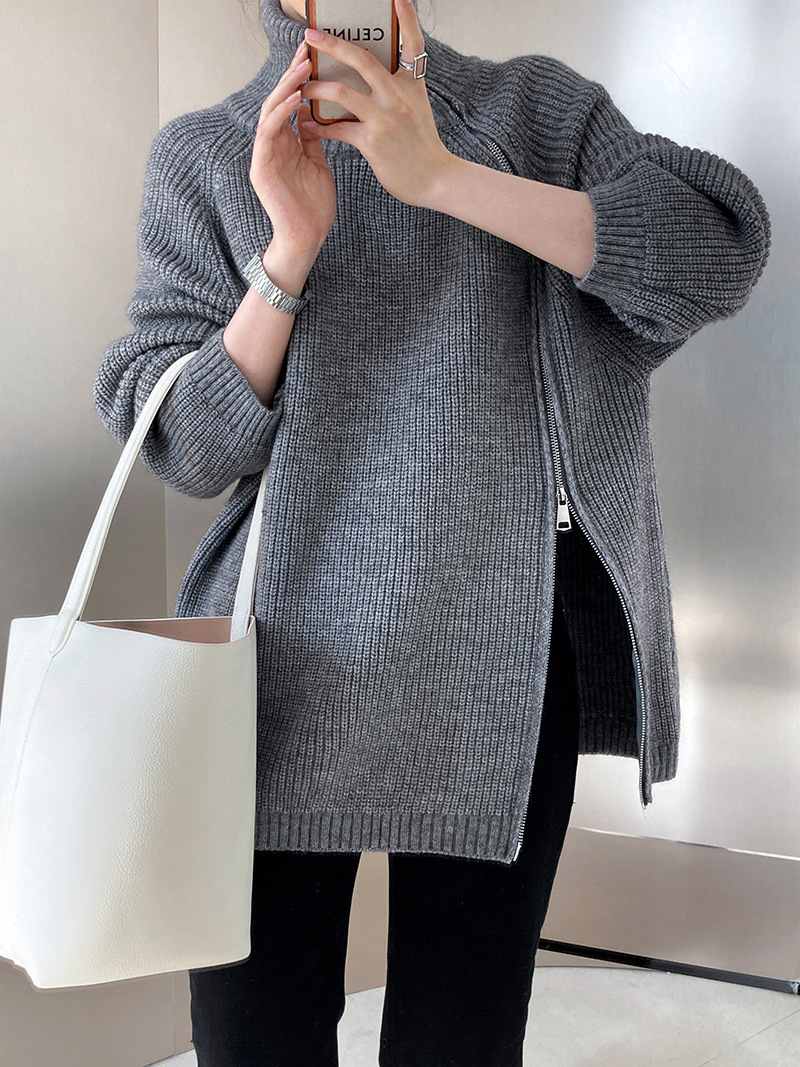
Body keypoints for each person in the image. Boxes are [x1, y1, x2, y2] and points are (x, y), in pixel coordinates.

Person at [93, 0, 771, 1062]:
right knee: (252, 1039)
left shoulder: (536, 113)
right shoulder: (212, 153)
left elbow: (717, 250)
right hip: (268, 668)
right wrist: (288, 252)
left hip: (500, 660)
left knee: (459, 1039)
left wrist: (445, 176)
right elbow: (182, 443)